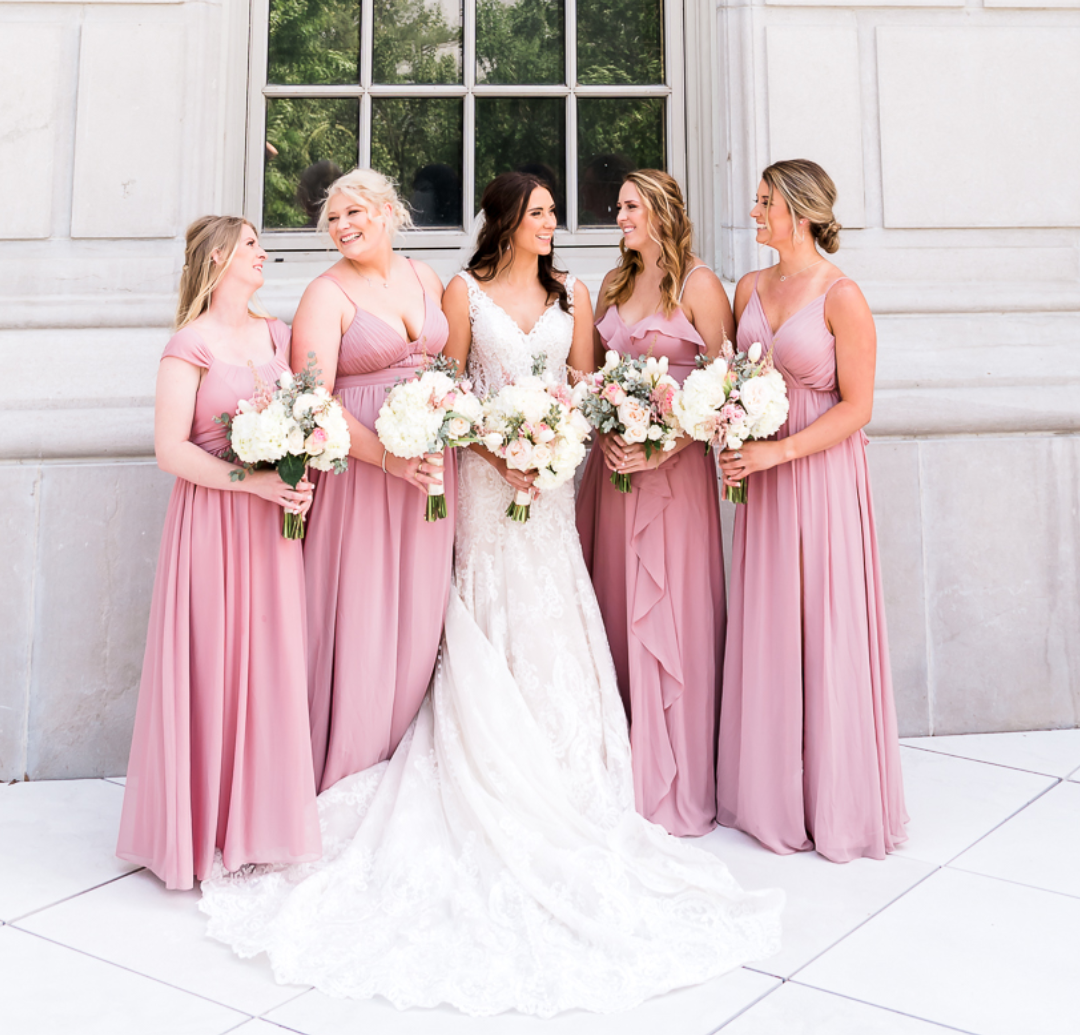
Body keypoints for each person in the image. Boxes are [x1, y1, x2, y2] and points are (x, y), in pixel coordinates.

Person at [199, 173, 782, 1017]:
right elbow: (452, 392)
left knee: (554, 607)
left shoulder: (577, 293)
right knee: (481, 607)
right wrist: (497, 450)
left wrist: (551, 448)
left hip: (550, 485)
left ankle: (570, 772)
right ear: (509, 222)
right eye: (541, 213)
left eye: (554, 214)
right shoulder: (460, 292)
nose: (555, 224)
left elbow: (583, 389)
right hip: (480, 479)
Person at [117, 216, 320, 890]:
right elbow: (170, 450)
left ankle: (256, 826)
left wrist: (297, 478)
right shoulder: (189, 345)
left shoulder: (280, 335)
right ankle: (194, 826)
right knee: (211, 661)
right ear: (218, 260)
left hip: (272, 529)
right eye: (251, 244)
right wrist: (249, 481)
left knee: (268, 665)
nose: (263, 252)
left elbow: (308, 422)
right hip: (211, 524)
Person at [716, 159, 909, 862]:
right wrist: (728, 430)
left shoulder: (842, 295)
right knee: (770, 620)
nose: (754, 211)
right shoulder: (748, 287)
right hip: (761, 480)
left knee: (824, 622)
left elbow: (858, 407)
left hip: (819, 476)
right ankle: (770, 796)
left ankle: (836, 801)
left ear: (798, 213)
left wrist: (780, 452)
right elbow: (732, 379)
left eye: (765, 201)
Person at [576, 169, 734, 837]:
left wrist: (663, 447)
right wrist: (607, 432)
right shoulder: (614, 284)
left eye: (631, 207)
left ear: (663, 211)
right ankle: (622, 767)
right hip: (612, 475)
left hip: (675, 476)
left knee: (672, 610)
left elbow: (727, 389)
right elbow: (588, 378)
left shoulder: (699, 285)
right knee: (615, 607)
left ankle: (679, 777)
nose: (620, 217)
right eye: (618, 208)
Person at [291, 167, 454, 793]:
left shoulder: (426, 277)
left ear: (388, 212)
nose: (342, 226)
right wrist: (389, 460)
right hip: (361, 474)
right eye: (332, 219)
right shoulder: (325, 294)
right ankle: (350, 763)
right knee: (361, 614)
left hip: (431, 471)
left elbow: (448, 370)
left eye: (353, 213)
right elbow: (313, 401)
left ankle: (404, 762)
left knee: (420, 613)